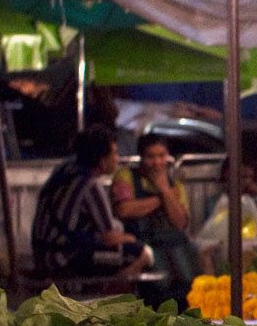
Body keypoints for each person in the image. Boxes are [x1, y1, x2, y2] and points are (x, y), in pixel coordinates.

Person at [31, 124, 151, 279]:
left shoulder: (64, 171)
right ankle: (113, 294)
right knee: (143, 253)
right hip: (62, 259)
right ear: (102, 161)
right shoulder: (89, 185)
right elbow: (110, 238)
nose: (117, 158)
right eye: (114, 153)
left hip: (43, 254)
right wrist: (131, 238)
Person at [112, 132, 198, 300]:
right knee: (159, 289)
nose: (157, 162)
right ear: (141, 157)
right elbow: (124, 210)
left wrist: (164, 189)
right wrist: (162, 198)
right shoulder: (126, 176)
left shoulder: (175, 185)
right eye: (151, 157)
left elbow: (180, 222)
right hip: (142, 244)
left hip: (175, 245)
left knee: (188, 286)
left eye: (161, 156)